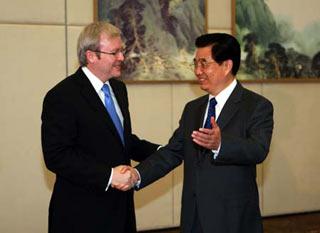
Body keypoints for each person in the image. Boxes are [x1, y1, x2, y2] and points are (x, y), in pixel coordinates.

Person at [128, 33, 274, 233]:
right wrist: (137, 174)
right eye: (195, 63)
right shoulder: (192, 109)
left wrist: (221, 144)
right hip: (194, 217)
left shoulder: (256, 106)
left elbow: (258, 149)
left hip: (232, 218)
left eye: (204, 64)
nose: (197, 71)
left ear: (227, 66)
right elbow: (173, 151)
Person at [41, 22, 158, 233]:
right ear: (91, 56)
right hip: (82, 214)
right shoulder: (62, 96)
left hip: (121, 211)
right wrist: (109, 175)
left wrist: (164, 152)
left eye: (121, 50)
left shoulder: (119, 89)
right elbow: (57, 156)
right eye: (114, 52)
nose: (122, 57)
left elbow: (122, 141)